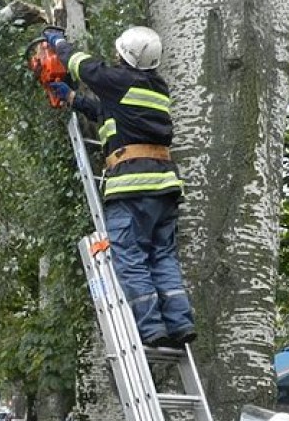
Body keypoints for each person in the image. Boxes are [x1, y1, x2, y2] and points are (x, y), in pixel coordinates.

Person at [42, 26, 195, 348]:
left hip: (132, 185)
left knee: (130, 256)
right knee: (162, 255)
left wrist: (56, 40)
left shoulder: (119, 80)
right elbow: (110, 113)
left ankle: (151, 327)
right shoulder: (157, 88)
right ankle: (180, 322)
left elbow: (81, 65)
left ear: (124, 54)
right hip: (165, 184)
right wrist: (72, 98)